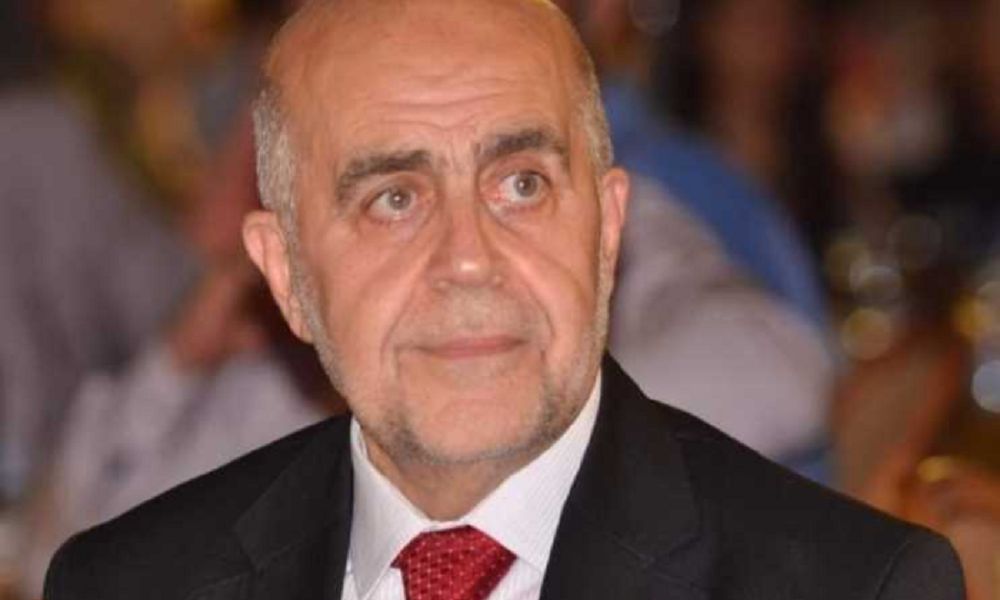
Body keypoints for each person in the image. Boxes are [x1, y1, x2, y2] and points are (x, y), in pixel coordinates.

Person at [44, 1, 964, 599]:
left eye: (521, 184)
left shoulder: (853, 586)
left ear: (608, 232)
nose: (467, 261)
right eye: (393, 199)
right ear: (284, 275)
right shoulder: (130, 583)